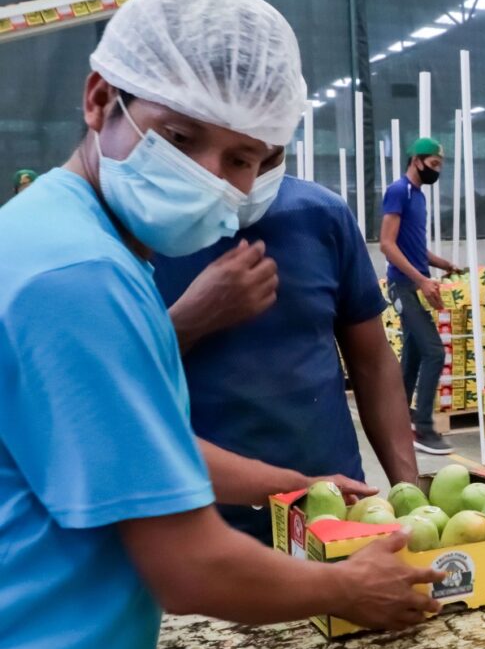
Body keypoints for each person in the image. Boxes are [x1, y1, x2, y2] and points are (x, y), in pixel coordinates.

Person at [0, 0, 441, 649]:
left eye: (245, 158)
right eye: (179, 140)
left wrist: (296, 481)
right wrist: (346, 588)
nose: (213, 178)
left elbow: (136, 447)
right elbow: (189, 566)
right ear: (100, 100)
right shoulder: (77, 278)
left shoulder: (69, 236)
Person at [152, 154, 420, 546]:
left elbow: (374, 363)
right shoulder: (148, 231)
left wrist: (410, 497)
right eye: (238, 154)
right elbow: (113, 385)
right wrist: (191, 318)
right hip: (202, 524)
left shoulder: (322, 215)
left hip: (332, 510)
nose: (251, 176)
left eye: (269, 156)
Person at [381, 137, 459, 455]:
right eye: (433, 164)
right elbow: (387, 244)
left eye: (440, 166)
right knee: (434, 352)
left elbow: (414, 248)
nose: (437, 171)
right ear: (416, 161)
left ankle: (396, 419)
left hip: (413, 285)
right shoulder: (398, 191)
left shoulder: (420, 197)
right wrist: (423, 280)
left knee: (413, 355)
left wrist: (444, 265)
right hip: (402, 286)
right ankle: (423, 428)